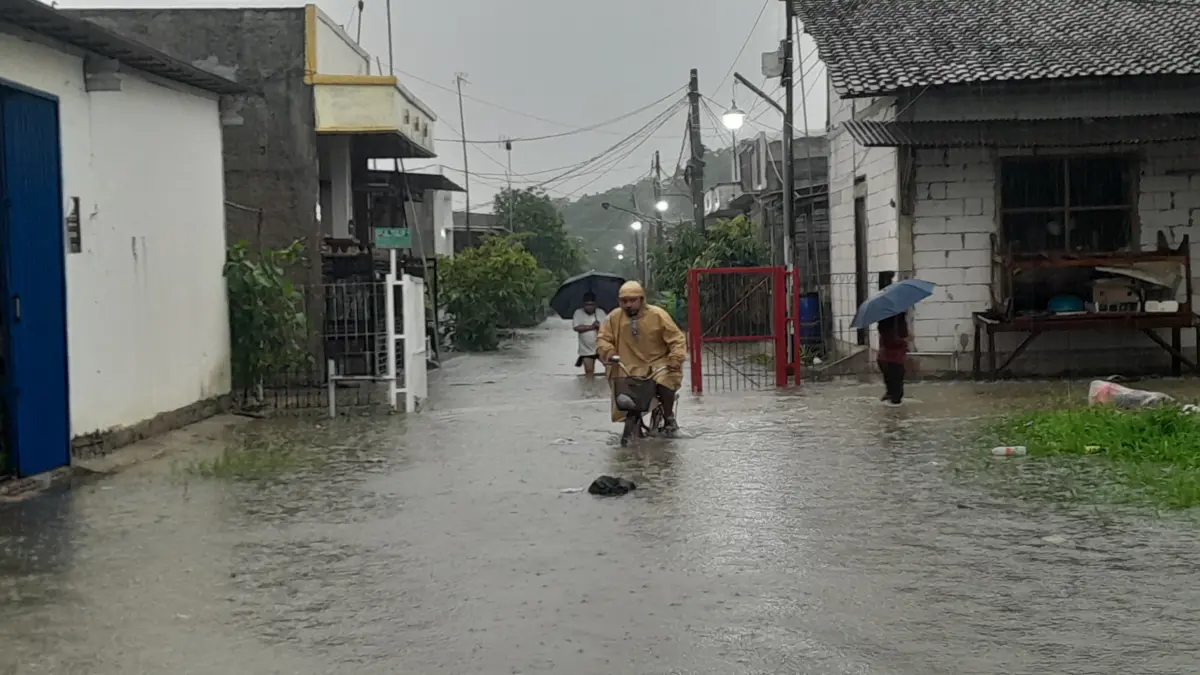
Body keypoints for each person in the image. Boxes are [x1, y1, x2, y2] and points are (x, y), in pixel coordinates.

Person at [596, 281, 686, 434]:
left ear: (642, 300)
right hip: (627, 364)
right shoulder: (614, 317)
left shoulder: (658, 315)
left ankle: (668, 415)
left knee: (665, 380)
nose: (628, 305)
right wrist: (609, 351)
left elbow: (677, 339)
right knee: (622, 388)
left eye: (632, 300)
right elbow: (603, 339)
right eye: (624, 301)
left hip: (657, 363)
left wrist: (675, 358)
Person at [877, 312, 909, 406]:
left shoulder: (883, 320)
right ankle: (897, 418)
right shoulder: (897, 321)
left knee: (891, 392)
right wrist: (905, 341)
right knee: (896, 396)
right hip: (894, 360)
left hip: (883, 359)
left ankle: (888, 416)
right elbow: (894, 340)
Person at [572, 292, 601, 376]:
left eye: (591, 304)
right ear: (583, 304)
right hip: (586, 350)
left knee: (611, 367)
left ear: (595, 304)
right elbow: (576, 328)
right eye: (587, 304)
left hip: (601, 348)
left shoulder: (600, 312)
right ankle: (589, 388)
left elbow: (607, 329)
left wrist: (599, 327)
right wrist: (592, 326)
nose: (589, 307)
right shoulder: (578, 313)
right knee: (589, 371)